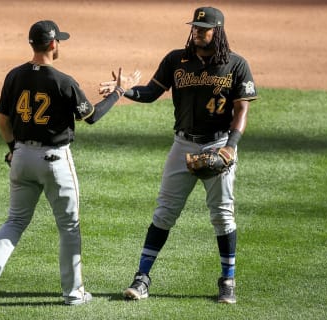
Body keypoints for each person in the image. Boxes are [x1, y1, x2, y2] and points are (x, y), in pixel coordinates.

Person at [0, 20, 140, 309]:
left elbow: (3, 120)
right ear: (53, 45)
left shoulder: (14, 76)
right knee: (69, 227)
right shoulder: (64, 82)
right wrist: (119, 92)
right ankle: (73, 293)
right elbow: (92, 117)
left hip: (22, 158)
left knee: (15, 221)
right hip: (55, 161)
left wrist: (14, 150)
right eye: (58, 41)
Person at [102, 7, 257, 303]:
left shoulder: (236, 65)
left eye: (204, 27)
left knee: (223, 215)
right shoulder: (177, 60)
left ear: (218, 30)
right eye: (195, 26)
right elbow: (149, 93)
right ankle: (142, 278)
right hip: (182, 145)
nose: (197, 31)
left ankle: (228, 280)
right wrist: (124, 91)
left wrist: (230, 146)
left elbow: (242, 110)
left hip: (218, 144)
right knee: (164, 213)